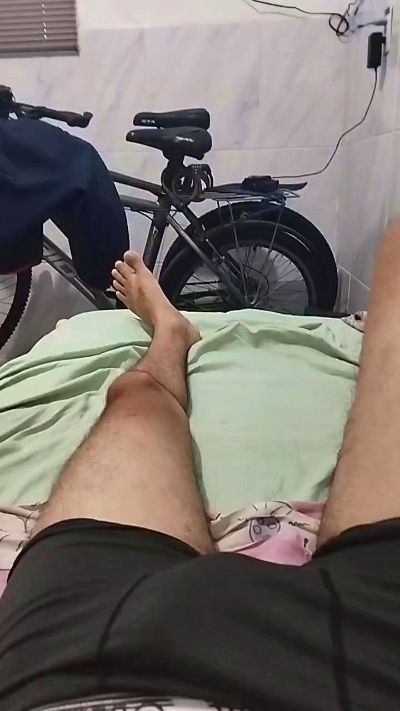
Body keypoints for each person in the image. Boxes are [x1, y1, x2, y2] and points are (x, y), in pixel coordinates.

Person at [1, 223, 400, 711]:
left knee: (138, 396)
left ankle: (170, 333)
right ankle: (171, 329)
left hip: (71, 652)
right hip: (372, 659)